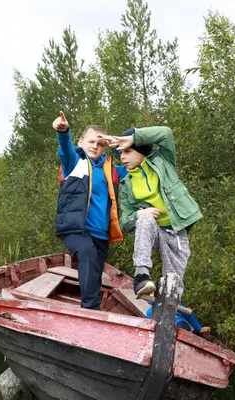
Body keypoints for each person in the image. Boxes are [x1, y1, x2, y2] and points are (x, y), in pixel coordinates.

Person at [100, 126, 202, 298]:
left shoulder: (163, 161)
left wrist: (133, 138)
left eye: (128, 151)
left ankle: (165, 312)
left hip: (176, 233)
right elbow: (124, 222)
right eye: (121, 153)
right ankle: (141, 277)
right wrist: (138, 214)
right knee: (145, 220)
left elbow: (166, 133)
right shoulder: (127, 183)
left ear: (141, 150)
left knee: (173, 285)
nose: (123, 157)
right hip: (155, 232)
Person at [52, 111, 128, 310]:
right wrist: (63, 132)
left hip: (101, 233)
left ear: (105, 147)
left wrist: (120, 146)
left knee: (95, 272)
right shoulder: (74, 163)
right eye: (91, 142)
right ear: (81, 142)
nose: (95, 146)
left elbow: (136, 166)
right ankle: (90, 310)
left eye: (100, 144)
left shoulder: (112, 170)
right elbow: (65, 149)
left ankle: (92, 308)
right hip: (75, 228)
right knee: (86, 253)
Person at [146, 302, 211, 335]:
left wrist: (200, 328)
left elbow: (188, 315)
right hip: (166, 332)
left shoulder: (174, 302)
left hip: (180, 327)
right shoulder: (150, 311)